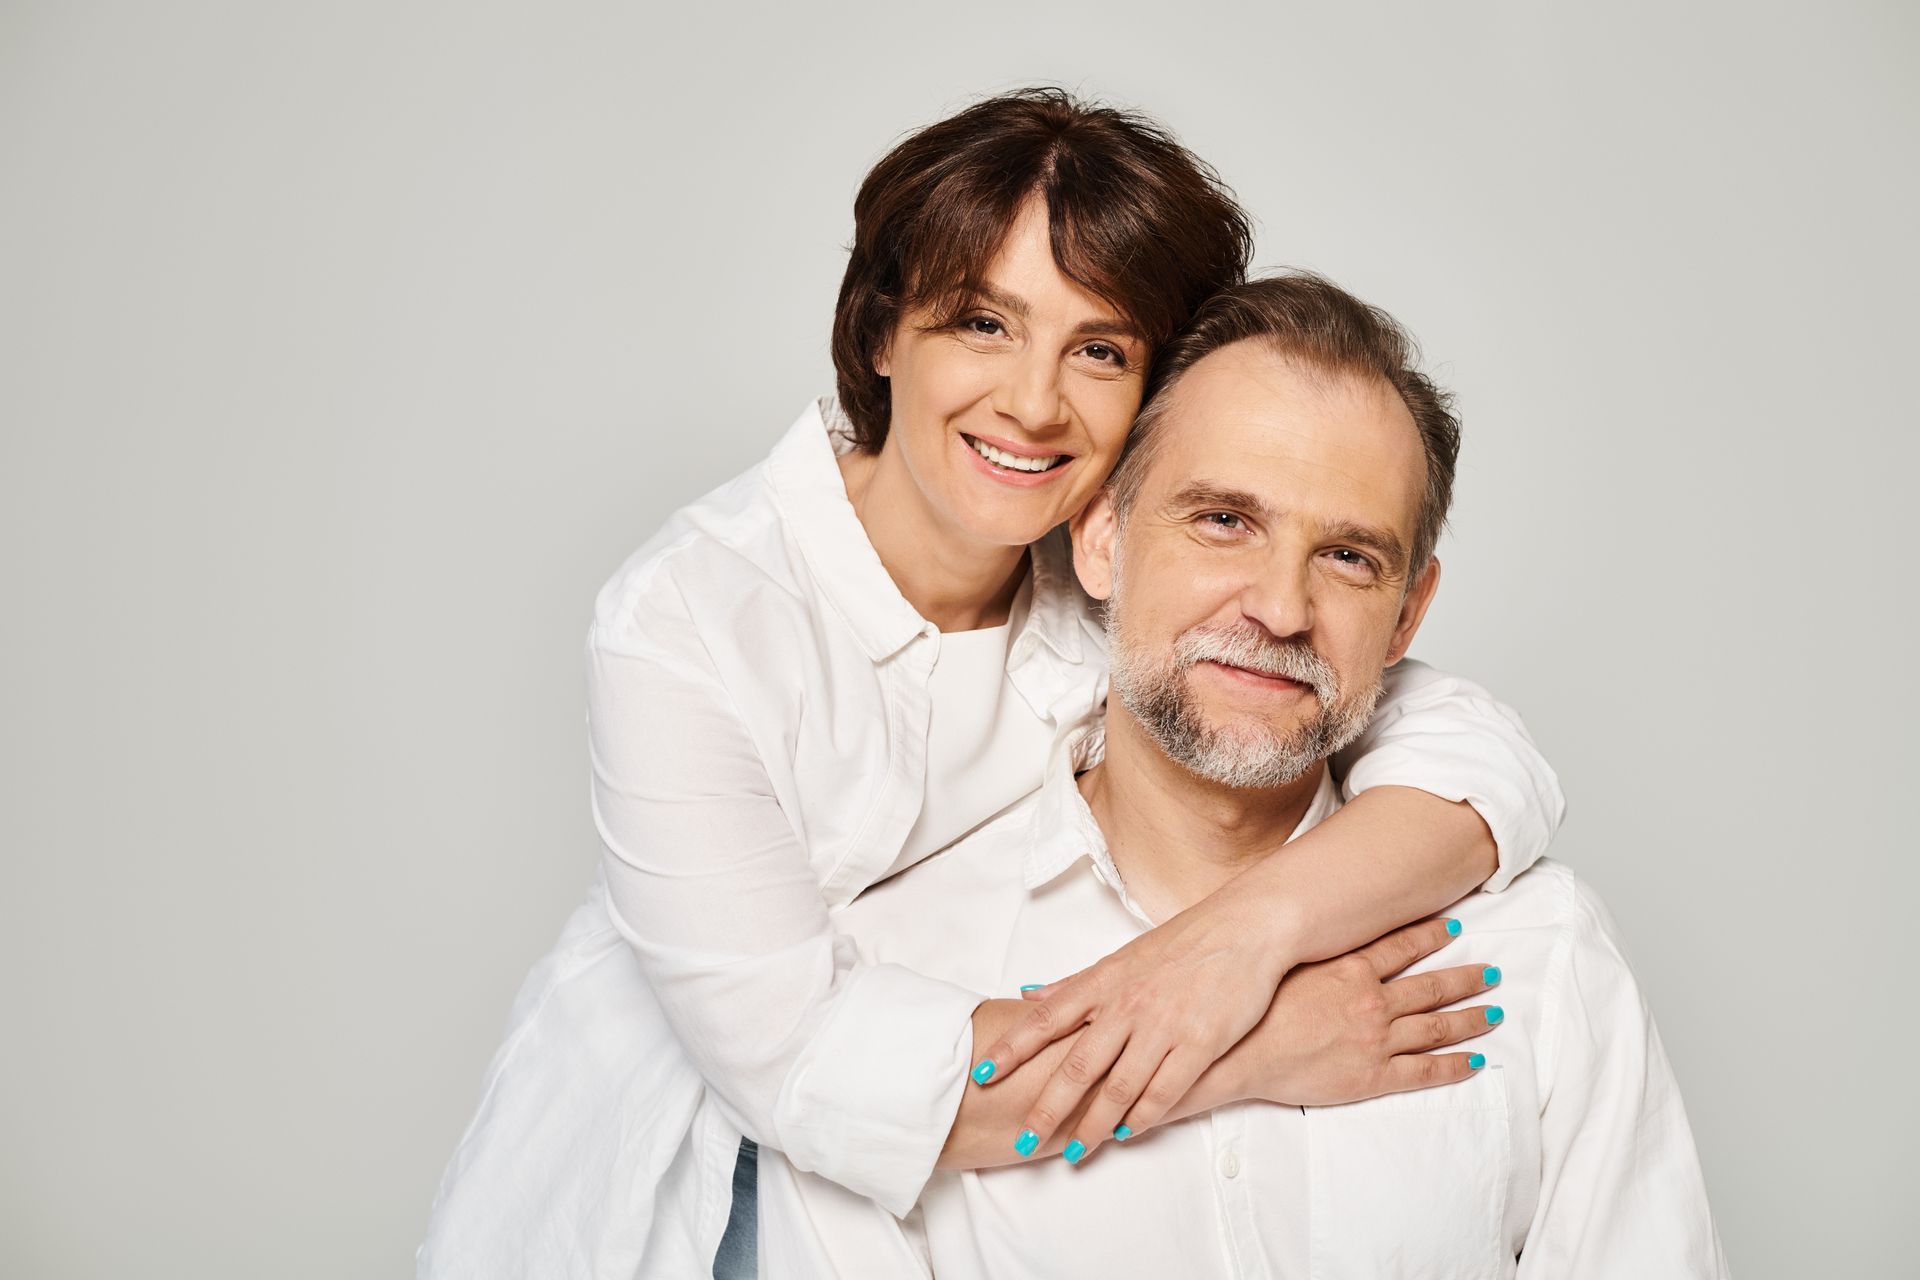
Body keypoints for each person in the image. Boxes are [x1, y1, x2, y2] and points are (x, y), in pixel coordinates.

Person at [418, 91, 1565, 1279]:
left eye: (1100, 349)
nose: (1031, 400)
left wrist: (1231, 942)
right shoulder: (689, 622)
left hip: (973, 1195)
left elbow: (1477, 757)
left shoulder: (1110, 560)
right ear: (878, 333)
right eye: (981, 324)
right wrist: (1249, 1040)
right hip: (691, 1192)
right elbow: (807, 1071)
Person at [757, 273, 1727, 1278]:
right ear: (1100, 534)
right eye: (1223, 519)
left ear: (1407, 612)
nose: (1279, 607)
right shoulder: (893, 963)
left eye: (1348, 556)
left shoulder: (1539, 954)